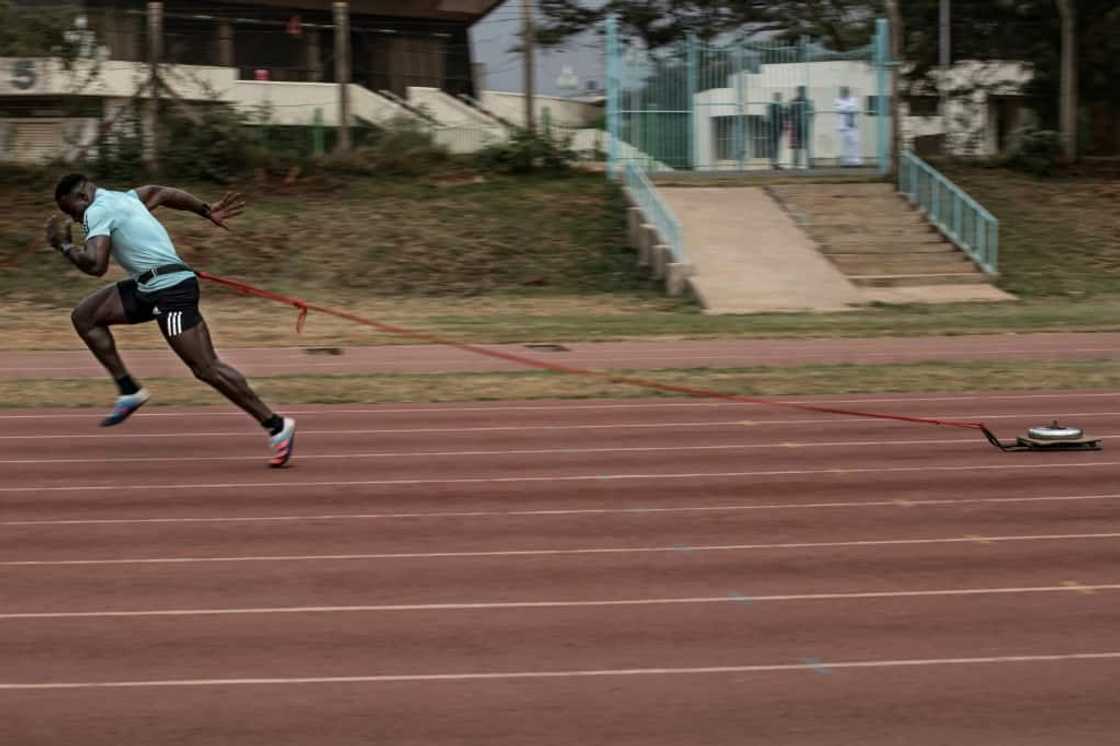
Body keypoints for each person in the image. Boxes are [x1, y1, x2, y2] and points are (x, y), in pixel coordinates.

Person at [46, 174, 296, 468]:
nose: (75, 220)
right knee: (85, 316)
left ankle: (276, 425)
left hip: (170, 291)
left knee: (206, 368)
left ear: (83, 198)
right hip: (147, 286)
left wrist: (64, 246)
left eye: (71, 212)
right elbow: (160, 192)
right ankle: (129, 389)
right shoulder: (125, 197)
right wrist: (205, 210)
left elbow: (96, 266)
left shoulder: (96, 211)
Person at [788, 86, 814, 169]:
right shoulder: (794, 102)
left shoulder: (807, 102)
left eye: (803, 91)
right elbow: (790, 113)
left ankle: (807, 163)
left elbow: (812, 112)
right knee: (796, 146)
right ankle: (796, 164)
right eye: (801, 91)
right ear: (798, 91)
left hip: (804, 126)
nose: (802, 92)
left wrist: (808, 119)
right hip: (797, 126)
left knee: (806, 145)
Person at [835, 86, 863, 167]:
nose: (844, 92)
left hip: (852, 125)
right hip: (843, 126)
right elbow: (839, 110)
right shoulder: (838, 100)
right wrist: (849, 108)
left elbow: (856, 109)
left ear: (848, 92)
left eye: (845, 91)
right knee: (844, 145)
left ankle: (856, 161)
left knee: (855, 143)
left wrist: (848, 108)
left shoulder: (854, 99)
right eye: (843, 91)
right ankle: (846, 162)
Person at [766, 92, 787, 170]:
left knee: (775, 147)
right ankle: (774, 163)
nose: (780, 98)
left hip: (776, 129)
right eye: (779, 97)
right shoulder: (775, 106)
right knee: (774, 147)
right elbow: (770, 118)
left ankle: (774, 163)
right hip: (774, 128)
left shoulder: (778, 106)